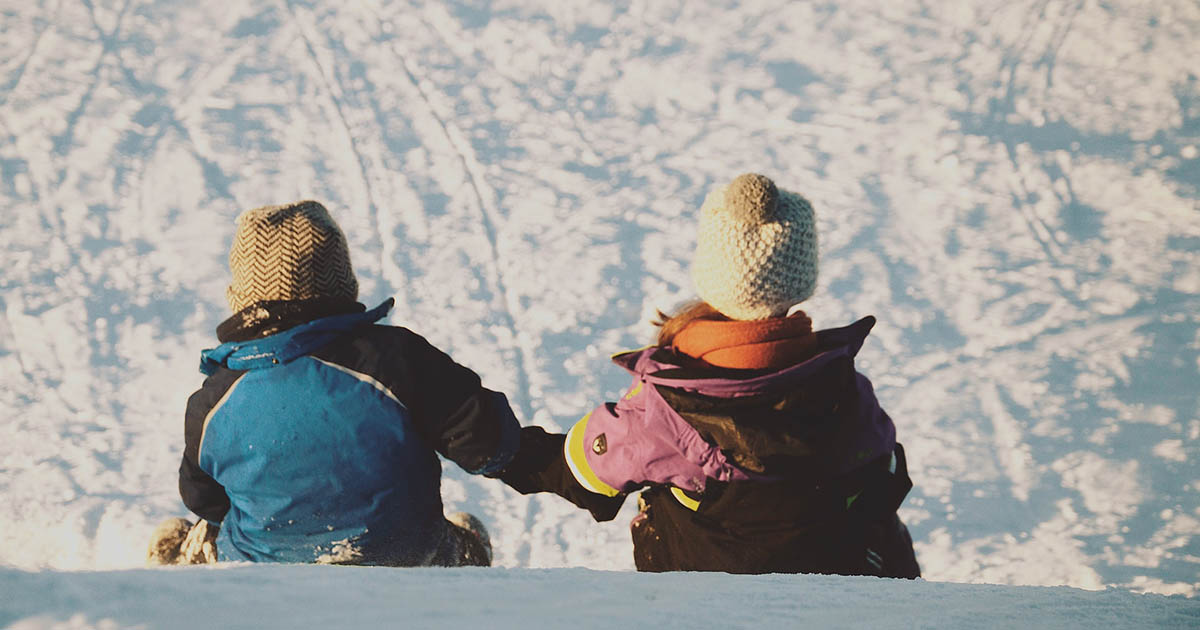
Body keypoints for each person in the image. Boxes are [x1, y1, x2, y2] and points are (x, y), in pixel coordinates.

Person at [500, 173, 920, 576]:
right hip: (829, 574)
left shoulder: (663, 413)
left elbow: (581, 471)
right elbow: (882, 480)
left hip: (704, 588)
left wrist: (494, 445)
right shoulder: (846, 393)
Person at [147, 200, 515, 567]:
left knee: (213, 526)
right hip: (403, 559)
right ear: (342, 282)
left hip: (264, 567)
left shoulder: (215, 399)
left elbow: (203, 499)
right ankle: (468, 553)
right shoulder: (396, 361)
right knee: (452, 540)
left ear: (243, 298)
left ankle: (188, 556)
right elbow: (486, 442)